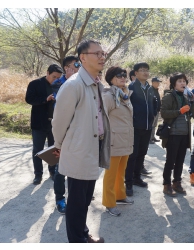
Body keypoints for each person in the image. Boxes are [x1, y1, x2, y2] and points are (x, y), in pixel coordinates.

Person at [52, 39, 109, 243]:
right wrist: (59, 146)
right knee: (76, 202)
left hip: (92, 148)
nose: (102, 57)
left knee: (85, 200)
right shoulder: (74, 85)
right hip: (78, 151)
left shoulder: (95, 84)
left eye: (103, 53)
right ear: (83, 58)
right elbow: (59, 122)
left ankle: (83, 234)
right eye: (97, 54)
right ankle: (77, 241)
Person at [102, 66, 135, 216]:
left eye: (124, 75)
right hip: (114, 140)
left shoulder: (125, 94)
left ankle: (120, 195)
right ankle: (109, 202)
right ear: (110, 79)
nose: (122, 77)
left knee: (121, 171)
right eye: (118, 75)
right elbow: (102, 118)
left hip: (126, 139)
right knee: (110, 174)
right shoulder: (108, 96)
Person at [50, 55, 81, 215]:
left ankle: (75, 196)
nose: (78, 67)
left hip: (79, 132)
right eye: (75, 65)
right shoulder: (58, 83)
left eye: (79, 64)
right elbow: (60, 103)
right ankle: (60, 199)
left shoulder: (82, 81)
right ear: (67, 67)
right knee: (60, 169)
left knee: (77, 168)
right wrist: (69, 80)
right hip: (64, 132)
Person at [25, 64, 63, 185]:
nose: (56, 80)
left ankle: (52, 172)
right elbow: (29, 99)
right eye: (54, 77)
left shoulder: (61, 86)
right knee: (37, 150)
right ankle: (38, 175)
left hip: (54, 124)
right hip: (39, 123)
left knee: (53, 149)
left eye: (58, 77)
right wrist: (45, 99)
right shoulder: (35, 84)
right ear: (47, 73)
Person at [160, 73, 194, 196]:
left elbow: (193, 114)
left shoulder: (186, 97)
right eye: (180, 81)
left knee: (180, 160)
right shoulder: (169, 96)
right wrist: (178, 111)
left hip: (184, 133)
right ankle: (167, 184)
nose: (183, 83)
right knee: (170, 161)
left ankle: (177, 182)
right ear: (174, 84)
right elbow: (163, 113)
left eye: (184, 81)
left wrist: (192, 101)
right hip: (173, 134)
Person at [125, 62, 158, 196]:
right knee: (132, 155)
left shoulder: (150, 88)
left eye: (147, 70)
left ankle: (137, 177)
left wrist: (153, 114)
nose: (145, 72)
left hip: (147, 126)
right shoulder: (131, 87)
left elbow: (154, 103)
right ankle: (128, 182)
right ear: (136, 73)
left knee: (142, 153)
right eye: (142, 70)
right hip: (134, 127)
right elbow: (126, 106)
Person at [149, 77, 162, 144]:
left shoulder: (156, 90)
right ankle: (149, 139)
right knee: (151, 125)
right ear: (153, 82)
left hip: (157, 111)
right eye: (157, 82)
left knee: (154, 125)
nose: (158, 84)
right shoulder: (150, 90)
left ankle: (152, 137)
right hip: (153, 111)